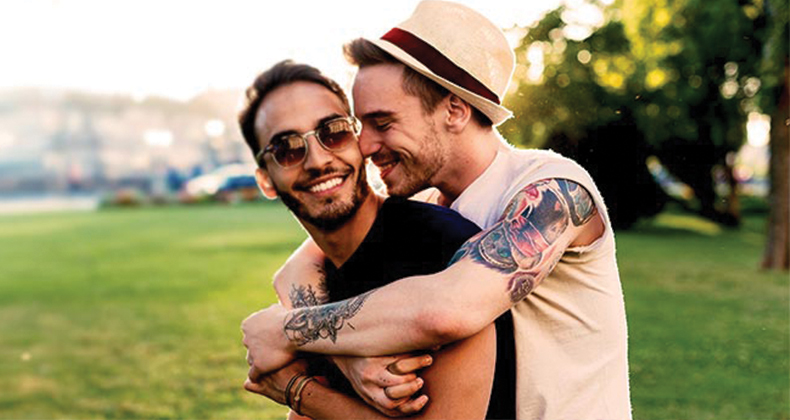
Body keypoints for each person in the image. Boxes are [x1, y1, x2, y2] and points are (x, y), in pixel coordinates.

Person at [242, 1, 632, 419]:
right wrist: (349, 361)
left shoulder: (551, 190)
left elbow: (447, 310)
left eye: (383, 123)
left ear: (454, 110)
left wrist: (286, 333)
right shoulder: (427, 204)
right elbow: (303, 264)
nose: (367, 145)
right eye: (359, 125)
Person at [237, 59, 516, 419]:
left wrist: (298, 390)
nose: (318, 160)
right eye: (287, 149)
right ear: (265, 181)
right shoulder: (317, 274)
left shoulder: (441, 249)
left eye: (332, 131)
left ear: (359, 142)